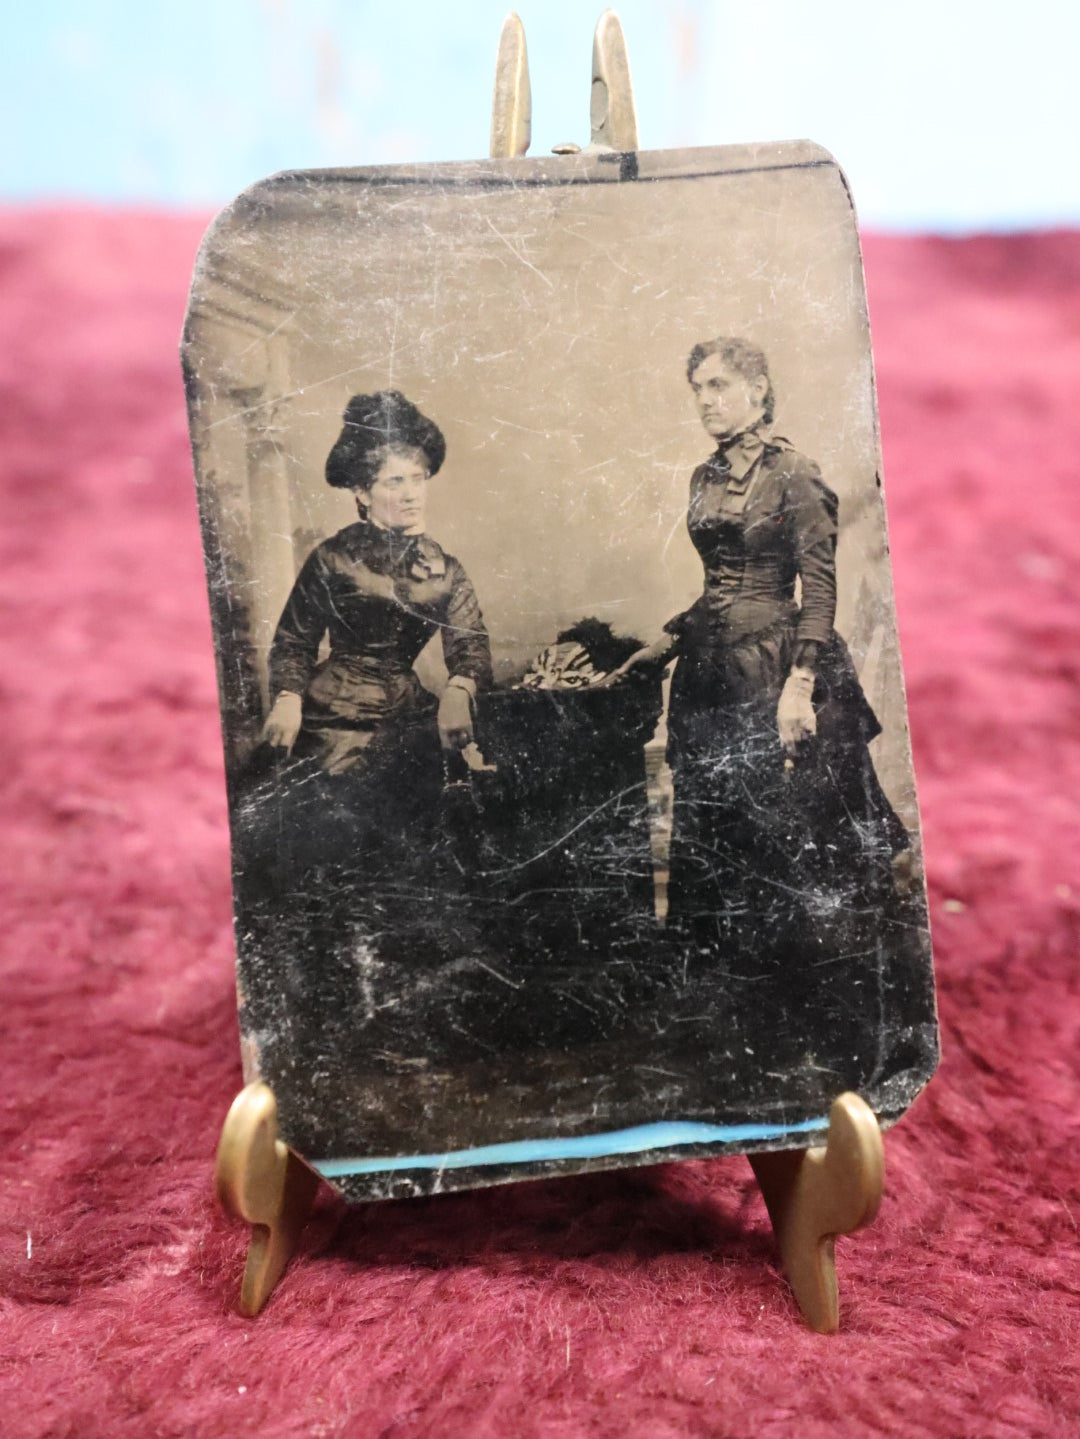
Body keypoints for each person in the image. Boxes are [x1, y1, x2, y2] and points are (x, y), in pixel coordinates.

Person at [609, 338, 908, 989]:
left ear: (759, 390)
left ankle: (794, 989)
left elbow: (818, 591)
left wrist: (800, 686)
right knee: (712, 822)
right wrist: (666, 642)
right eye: (698, 389)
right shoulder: (704, 477)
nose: (706, 402)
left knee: (775, 829)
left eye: (718, 385)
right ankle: (726, 990)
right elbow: (719, 582)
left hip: (772, 673)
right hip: (709, 678)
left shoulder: (794, 473)